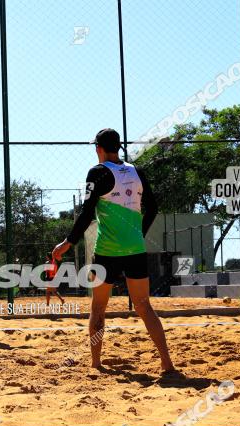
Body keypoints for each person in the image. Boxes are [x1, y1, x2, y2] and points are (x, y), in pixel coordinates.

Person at [51, 128, 175, 373]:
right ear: (117, 147)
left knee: (98, 307)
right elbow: (153, 207)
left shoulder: (96, 172)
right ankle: (166, 362)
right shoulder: (136, 171)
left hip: (107, 251)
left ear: (98, 148)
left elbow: (87, 213)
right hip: (135, 249)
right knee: (144, 306)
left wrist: (68, 242)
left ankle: (96, 362)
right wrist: (139, 232)